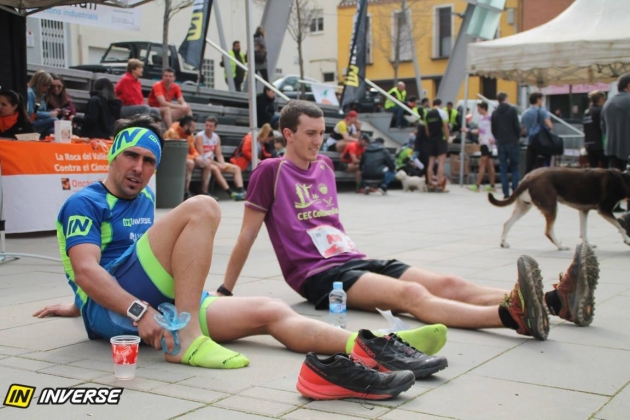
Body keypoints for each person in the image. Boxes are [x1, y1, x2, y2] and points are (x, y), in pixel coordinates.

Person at [34, 114, 449, 384]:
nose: (138, 168)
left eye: (148, 162)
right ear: (112, 155)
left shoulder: (142, 200)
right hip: (122, 311)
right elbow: (88, 271)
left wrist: (75, 301)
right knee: (202, 206)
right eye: (131, 156)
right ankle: (188, 339)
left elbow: (104, 269)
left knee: (270, 310)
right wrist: (129, 310)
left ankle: (377, 345)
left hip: (153, 301)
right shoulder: (84, 203)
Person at [222, 100, 601, 342]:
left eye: (321, 133)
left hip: (353, 257)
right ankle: (511, 316)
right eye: (309, 134)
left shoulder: (323, 167)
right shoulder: (270, 172)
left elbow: (330, 227)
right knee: (412, 297)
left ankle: (555, 302)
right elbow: (247, 236)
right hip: (318, 275)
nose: (318, 141)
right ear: (287, 134)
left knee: (448, 282)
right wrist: (225, 291)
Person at [194, 116, 246, 200]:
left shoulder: (216, 137)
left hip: (212, 161)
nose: (208, 128)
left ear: (215, 127)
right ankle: (231, 193)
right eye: (207, 125)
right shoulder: (200, 136)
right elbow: (202, 155)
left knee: (236, 168)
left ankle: (242, 191)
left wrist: (222, 164)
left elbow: (219, 154)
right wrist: (218, 164)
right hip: (203, 162)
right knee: (215, 169)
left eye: (210, 126)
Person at [491, 92, 521, 199]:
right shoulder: (512, 110)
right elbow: (517, 126)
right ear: (506, 98)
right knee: (515, 167)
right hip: (512, 141)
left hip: (501, 143)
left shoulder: (494, 113)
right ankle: (515, 190)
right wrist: (516, 137)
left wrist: (498, 138)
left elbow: (493, 129)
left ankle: (505, 193)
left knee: (503, 168)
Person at [164, 115, 201, 200]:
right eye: (192, 127)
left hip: (181, 158)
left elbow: (192, 150)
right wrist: (193, 157)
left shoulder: (189, 134)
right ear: (185, 126)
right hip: (169, 159)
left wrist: (196, 156)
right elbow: (177, 155)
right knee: (190, 163)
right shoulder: (173, 133)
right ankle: (186, 191)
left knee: (200, 161)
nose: (194, 129)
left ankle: (201, 191)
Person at [602, 73, 630, 171]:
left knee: (616, 183)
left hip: (612, 151)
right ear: (628, 85)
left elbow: (603, 127)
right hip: (627, 151)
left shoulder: (607, 103)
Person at [466, 102, 496, 192]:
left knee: (482, 164)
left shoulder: (490, 118)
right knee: (489, 164)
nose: (478, 110)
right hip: (483, 141)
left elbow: (494, 129)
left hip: (487, 142)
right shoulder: (481, 118)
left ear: (483, 108)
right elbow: (480, 130)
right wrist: (469, 131)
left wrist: (493, 139)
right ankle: (492, 185)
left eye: (479, 108)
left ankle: (477, 185)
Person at [521, 92, 553, 174]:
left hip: (530, 142)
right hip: (541, 143)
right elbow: (550, 125)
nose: (542, 101)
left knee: (529, 166)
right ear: (538, 100)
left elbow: (523, 130)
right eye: (542, 99)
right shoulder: (542, 111)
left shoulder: (525, 113)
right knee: (541, 167)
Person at [424, 98, 450, 192]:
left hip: (431, 140)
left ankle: (430, 184)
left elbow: (426, 130)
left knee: (430, 163)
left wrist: (430, 137)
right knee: (441, 163)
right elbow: (445, 127)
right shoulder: (443, 113)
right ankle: (439, 184)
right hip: (440, 140)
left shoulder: (427, 114)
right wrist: (447, 139)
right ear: (440, 104)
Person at [26, 70, 56, 137]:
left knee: (53, 130)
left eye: (49, 86)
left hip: (39, 121)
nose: (48, 88)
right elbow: (31, 113)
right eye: (46, 85)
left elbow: (42, 111)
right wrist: (49, 114)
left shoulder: (41, 95)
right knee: (55, 120)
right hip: (31, 122)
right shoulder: (29, 93)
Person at [582, 90, 607, 169]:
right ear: (600, 99)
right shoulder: (600, 110)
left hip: (589, 143)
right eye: (604, 99)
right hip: (599, 144)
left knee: (593, 168)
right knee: (605, 167)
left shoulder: (587, 111)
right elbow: (602, 126)